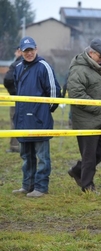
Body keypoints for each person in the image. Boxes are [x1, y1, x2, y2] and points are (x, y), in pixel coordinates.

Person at [12, 36, 62, 197]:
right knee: (26, 156)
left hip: (39, 120)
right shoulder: (18, 67)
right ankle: (27, 185)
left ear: (36, 49)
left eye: (31, 50)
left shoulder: (43, 66)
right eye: (26, 50)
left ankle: (40, 187)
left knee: (42, 157)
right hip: (22, 120)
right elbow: (16, 90)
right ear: (20, 52)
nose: (29, 53)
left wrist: (43, 112)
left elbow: (54, 92)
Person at [66, 38, 101, 193]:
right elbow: (76, 94)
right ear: (91, 53)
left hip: (100, 119)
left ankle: (77, 170)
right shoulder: (79, 70)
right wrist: (98, 107)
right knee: (89, 155)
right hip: (86, 120)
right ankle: (87, 185)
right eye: (100, 56)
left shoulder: (96, 69)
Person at [3, 46, 23, 153]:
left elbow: (7, 79)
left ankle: (15, 146)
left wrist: (14, 93)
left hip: (17, 100)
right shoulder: (30, 64)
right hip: (28, 100)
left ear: (19, 51)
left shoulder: (16, 64)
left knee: (15, 121)